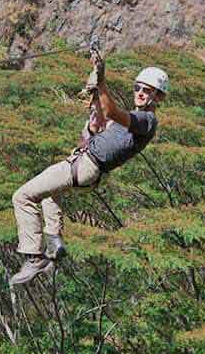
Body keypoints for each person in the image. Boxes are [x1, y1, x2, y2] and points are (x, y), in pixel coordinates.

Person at [10, 49, 169, 285]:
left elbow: (111, 110)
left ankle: (33, 256)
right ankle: (54, 242)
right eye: (138, 87)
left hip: (86, 166)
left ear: (159, 97)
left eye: (147, 91)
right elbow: (102, 118)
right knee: (46, 195)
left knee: (22, 196)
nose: (140, 93)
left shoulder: (146, 122)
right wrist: (95, 89)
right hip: (86, 166)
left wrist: (102, 78)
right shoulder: (129, 121)